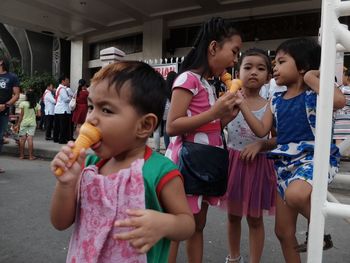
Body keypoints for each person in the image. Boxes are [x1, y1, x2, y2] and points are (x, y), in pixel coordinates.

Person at [50, 61, 195, 263]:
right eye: (91, 107)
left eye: (106, 110)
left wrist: (165, 223)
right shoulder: (90, 165)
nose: (90, 118)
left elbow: (187, 224)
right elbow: (60, 222)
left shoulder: (160, 172)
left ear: (144, 125)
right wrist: (65, 184)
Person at [236, 38, 345, 262]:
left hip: (313, 159)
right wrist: (243, 106)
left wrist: (310, 78)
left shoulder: (315, 92)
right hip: (283, 166)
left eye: (281, 61)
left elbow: (339, 101)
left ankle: (321, 232)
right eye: (274, 63)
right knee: (283, 232)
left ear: (303, 66)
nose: (275, 67)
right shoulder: (275, 99)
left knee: (296, 195)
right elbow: (262, 130)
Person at [165, 17, 242, 262]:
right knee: (179, 227)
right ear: (213, 48)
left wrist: (225, 118)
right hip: (188, 165)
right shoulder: (188, 79)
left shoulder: (207, 83)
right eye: (234, 51)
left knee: (198, 224)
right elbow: (173, 126)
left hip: (205, 164)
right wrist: (215, 113)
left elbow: (207, 126)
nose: (235, 59)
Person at [221, 48, 276, 263]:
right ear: (237, 73)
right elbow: (215, 126)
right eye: (248, 67)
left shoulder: (270, 105)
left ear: (268, 77)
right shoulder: (228, 100)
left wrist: (261, 145)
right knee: (233, 216)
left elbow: (274, 137)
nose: (254, 72)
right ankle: (233, 258)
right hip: (233, 163)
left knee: (255, 219)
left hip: (258, 166)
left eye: (260, 68)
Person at [0, 57, 20, 173]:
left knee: (0, 137)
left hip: (4, 111)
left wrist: (6, 105)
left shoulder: (12, 77)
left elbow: (16, 94)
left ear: (1, 63)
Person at [17, 89, 41, 160]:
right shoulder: (37, 105)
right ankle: (31, 156)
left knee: (22, 139)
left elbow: (21, 115)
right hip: (32, 123)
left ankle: (21, 156)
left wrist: (18, 124)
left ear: (27, 96)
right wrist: (34, 114)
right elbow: (39, 115)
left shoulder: (23, 104)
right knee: (30, 139)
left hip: (24, 123)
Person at [333, 67, 350, 146]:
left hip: (341, 120)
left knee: (339, 145)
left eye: (343, 76)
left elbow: (334, 85)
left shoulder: (343, 90)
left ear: (347, 78)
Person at [53, 76, 71, 144]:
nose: (68, 82)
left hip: (58, 109)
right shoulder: (62, 89)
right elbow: (66, 99)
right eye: (67, 80)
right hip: (63, 109)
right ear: (63, 81)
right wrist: (71, 98)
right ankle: (62, 140)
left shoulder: (58, 88)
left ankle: (56, 138)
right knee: (63, 126)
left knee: (57, 126)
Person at [163, 71, 177, 149]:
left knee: (166, 129)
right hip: (173, 109)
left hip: (165, 110)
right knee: (173, 129)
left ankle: (167, 147)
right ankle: (172, 146)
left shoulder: (165, 86)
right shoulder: (176, 85)